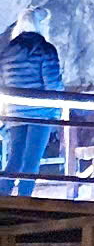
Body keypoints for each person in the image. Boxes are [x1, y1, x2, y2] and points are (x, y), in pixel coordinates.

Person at [0, 15, 62, 195]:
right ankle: (24, 199)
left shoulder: (7, 52)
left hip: (16, 112)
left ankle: (3, 195)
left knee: (15, 158)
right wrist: (56, 111)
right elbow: (53, 85)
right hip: (40, 114)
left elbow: (3, 82)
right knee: (32, 160)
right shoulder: (45, 50)